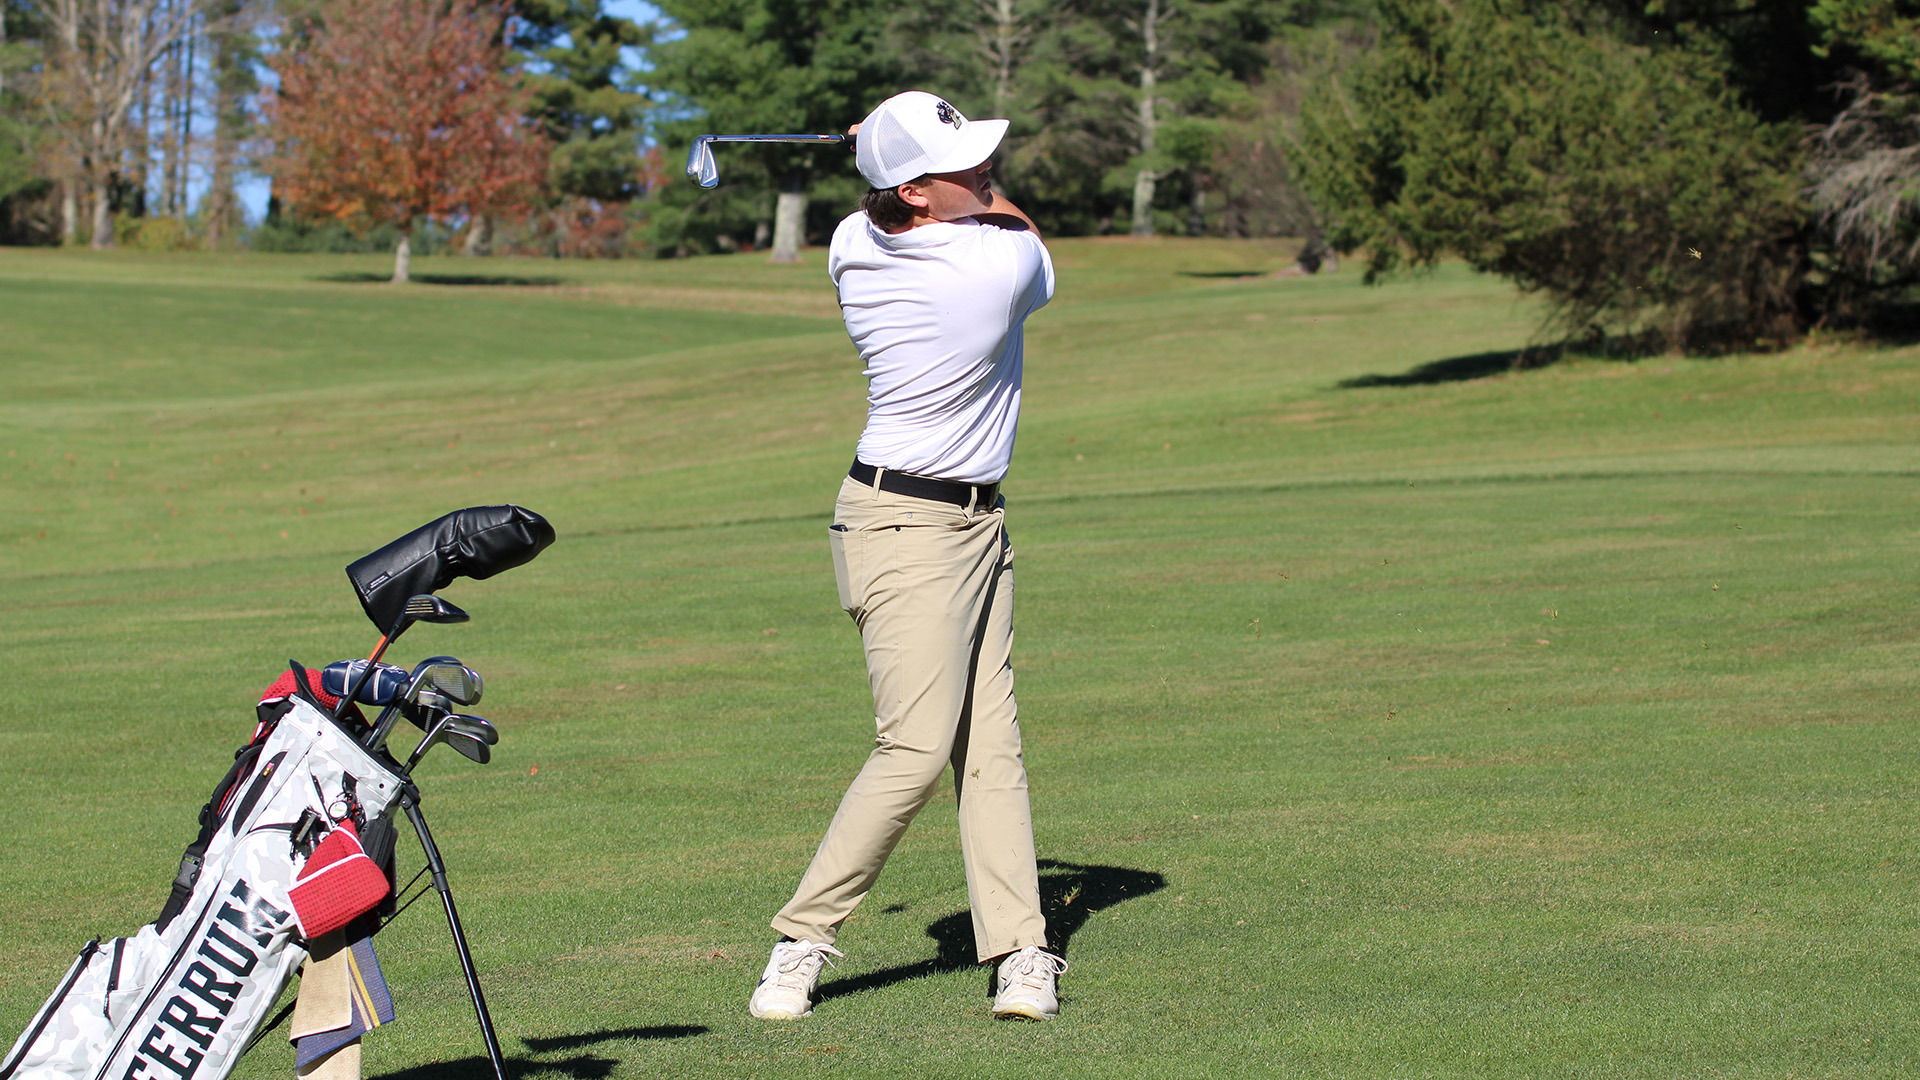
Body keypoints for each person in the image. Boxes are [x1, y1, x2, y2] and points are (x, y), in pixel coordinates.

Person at [748, 90, 1067, 1023]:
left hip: (970, 523)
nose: (988, 176)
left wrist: (887, 163)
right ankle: (801, 941)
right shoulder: (994, 266)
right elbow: (1026, 230)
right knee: (917, 747)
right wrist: (885, 158)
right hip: (905, 530)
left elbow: (877, 209)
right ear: (918, 191)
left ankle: (1020, 949)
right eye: (965, 167)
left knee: (989, 744)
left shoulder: (853, 244)